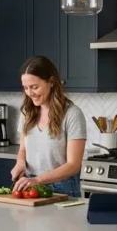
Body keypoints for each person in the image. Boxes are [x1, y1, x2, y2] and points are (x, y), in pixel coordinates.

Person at [11, 56, 86, 198]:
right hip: (30, 185)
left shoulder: (72, 114)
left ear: (51, 82)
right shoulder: (27, 112)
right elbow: (23, 149)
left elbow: (73, 165)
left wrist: (38, 180)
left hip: (62, 187)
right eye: (26, 88)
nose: (30, 93)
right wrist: (20, 164)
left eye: (34, 87)